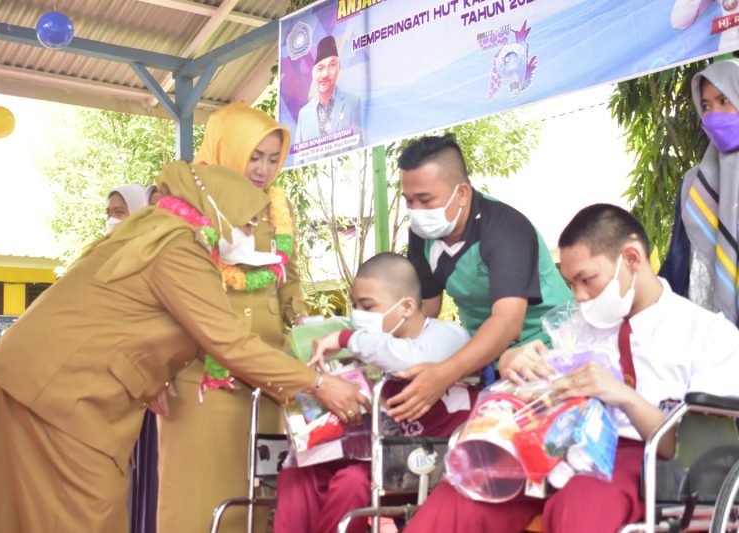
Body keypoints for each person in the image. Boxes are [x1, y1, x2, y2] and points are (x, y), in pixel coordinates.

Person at [0, 160, 367, 533]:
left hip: (42, 381)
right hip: (61, 392)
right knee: (83, 514)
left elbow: (150, 321)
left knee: (35, 516)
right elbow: (228, 342)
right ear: (219, 210)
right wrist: (318, 384)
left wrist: (154, 380)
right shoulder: (179, 248)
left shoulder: (158, 230)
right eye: (247, 223)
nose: (250, 235)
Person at [404, 203, 739, 533]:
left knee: (582, 499)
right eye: (570, 284)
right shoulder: (574, 330)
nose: (579, 296)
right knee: (468, 488)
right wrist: (514, 365)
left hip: (647, 462)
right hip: (557, 450)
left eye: (586, 279)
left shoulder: (709, 335)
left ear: (632, 259)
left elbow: (695, 454)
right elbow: (545, 404)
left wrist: (622, 395)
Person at [155, 102, 311, 533]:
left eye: (272, 159)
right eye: (253, 155)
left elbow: (288, 278)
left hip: (267, 380)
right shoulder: (184, 201)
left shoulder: (275, 207)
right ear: (227, 148)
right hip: (200, 381)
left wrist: (303, 327)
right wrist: (152, 372)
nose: (262, 169)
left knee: (261, 498)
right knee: (200, 503)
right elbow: (156, 296)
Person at [273, 252, 474, 533]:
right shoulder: (372, 344)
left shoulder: (450, 336)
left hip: (424, 457)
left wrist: (345, 338)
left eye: (367, 306)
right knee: (298, 475)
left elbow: (409, 359)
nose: (358, 315)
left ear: (405, 306)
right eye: (355, 306)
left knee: (351, 482)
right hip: (370, 451)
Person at [387, 134, 573, 423]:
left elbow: (507, 322)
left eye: (425, 199)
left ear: (462, 193)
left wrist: (445, 373)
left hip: (547, 352)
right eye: (409, 201)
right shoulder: (422, 235)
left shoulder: (506, 229)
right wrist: (379, 343)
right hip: (486, 356)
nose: (417, 212)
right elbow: (427, 311)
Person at [660, 59, 739, 325]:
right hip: (710, 337)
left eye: (724, 99)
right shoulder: (694, 183)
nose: (714, 114)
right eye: (706, 106)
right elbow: (678, 261)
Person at [293, 35, 363, 152]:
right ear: (313, 73)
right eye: (320, 68)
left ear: (339, 67)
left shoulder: (352, 102)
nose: (325, 74)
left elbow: (358, 147)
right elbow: (299, 157)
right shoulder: (304, 114)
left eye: (331, 65)